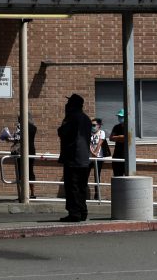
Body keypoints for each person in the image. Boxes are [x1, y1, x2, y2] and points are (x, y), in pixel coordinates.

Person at [57, 93, 92, 222]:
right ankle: (83, 211)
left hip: (73, 158)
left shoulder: (72, 117)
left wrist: (64, 119)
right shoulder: (86, 119)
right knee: (81, 187)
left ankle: (75, 213)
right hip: (84, 159)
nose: (66, 105)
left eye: (68, 103)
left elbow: (62, 132)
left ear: (72, 105)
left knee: (72, 187)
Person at [4, 114, 38, 200]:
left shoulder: (21, 126)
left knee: (21, 172)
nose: (18, 120)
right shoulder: (33, 127)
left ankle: (23, 194)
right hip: (31, 151)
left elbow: (18, 138)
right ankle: (32, 193)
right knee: (30, 171)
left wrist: (8, 138)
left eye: (19, 119)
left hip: (21, 152)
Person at [89, 117, 110, 200]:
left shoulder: (102, 132)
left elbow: (100, 143)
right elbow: (88, 143)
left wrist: (96, 152)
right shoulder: (88, 133)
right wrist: (92, 152)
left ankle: (97, 194)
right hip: (89, 157)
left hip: (99, 157)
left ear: (99, 126)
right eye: (91, 125)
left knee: (97, 175)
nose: (92, 127)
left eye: (94, 125)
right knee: (85, 174)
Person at [109, 109, 126, 177]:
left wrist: (117, 138)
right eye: (119, 117)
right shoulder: (116, 127)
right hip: (117, 153)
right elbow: (111, 138)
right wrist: (120, 137)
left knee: (126, 174)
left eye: (121, 117)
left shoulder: (129, 127)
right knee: (116, 173)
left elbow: (127, 138)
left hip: (126, 154)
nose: (120, 118)